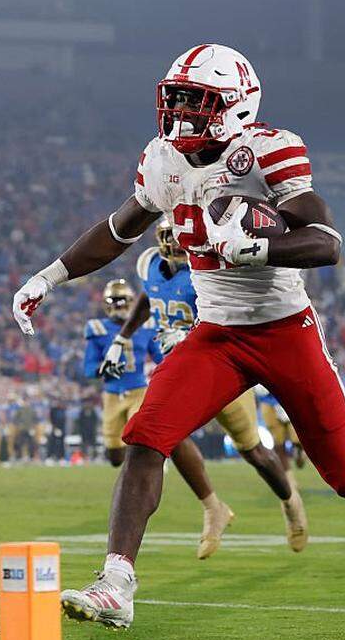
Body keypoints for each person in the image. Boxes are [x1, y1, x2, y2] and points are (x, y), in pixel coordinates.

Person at [12, 43, 345, 629]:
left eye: (197, 100)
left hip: (286, 330)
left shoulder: (267, 150)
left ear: (236, 105)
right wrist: (49, 275)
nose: (182, 112)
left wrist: (262, 246)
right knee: (145, 437)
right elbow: (118, 231)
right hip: (216, 336)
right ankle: (117, 581)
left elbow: (327, 243)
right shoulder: (163, 160)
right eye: (177, 98)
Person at [105, 219, 308, 557]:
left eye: (176, 235)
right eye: (166, 235)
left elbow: (229, 311)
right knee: (161, 433)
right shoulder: (150, 265)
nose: (172, 242)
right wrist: (122, 336)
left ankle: (290, 501)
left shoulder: (207, 270)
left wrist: (188, 335)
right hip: (179, 372)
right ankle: (213, 507)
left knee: (254, 451)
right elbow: (148, 295)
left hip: (220, 368)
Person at [83, 278, 164, 467]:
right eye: (112, 301)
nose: (117, 305)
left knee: (139, 438)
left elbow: (161, 357)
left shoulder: (146, 325)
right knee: (115, 457)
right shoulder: (98, 328)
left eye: (120, 300)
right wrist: (102, 369)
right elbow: (88, 368)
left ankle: (143, 470)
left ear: (130, 301)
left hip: (139, 391)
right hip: (112, 394)